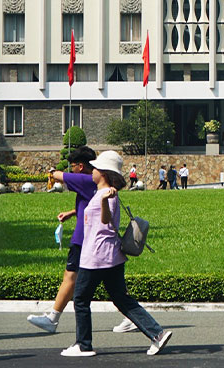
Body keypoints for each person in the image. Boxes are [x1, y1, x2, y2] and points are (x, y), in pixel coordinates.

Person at [63, 150, 173, 357]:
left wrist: (104, 200)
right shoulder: (101, 192)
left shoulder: (107, 195)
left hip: (96, 257)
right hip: (111, 256)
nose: (91, 171)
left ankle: (83, 345)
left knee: (80, 299)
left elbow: (105, 220)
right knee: (121, 299)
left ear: (103, 173)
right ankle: (157, 334)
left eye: (94, 168)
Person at [27, 146, 104, 333]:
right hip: (92, 237)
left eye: (72, 166)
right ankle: (132, 315)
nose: (71, 169)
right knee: (110, 281)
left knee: (70, 276)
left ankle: (52, 319)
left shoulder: (85, 179)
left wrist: (53, 172)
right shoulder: (95, 182)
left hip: (82, 238)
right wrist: (71, 213)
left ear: (79, 166)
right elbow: (89, 205)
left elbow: (60, 176)